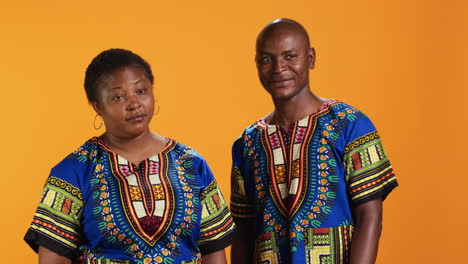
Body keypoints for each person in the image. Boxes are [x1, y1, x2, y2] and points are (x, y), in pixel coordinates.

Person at [24, 49, 236, 264]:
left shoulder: (191, 163)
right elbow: (53, 258)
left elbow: (213, 251)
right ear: (98, 106)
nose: (134, 103)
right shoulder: (74, 170)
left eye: (141, 91)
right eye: (118, 97)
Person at [230, 18, 398, 264]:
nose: (279, 68)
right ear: (256, 65)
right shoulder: (247, 142)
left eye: (290, 56)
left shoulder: (349, 124)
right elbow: (242, 232)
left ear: (310, 58)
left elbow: (369, 218)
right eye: (267, 59)